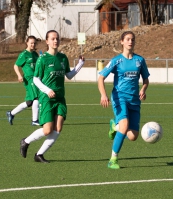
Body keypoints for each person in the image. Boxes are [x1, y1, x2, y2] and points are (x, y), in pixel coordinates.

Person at [19, 30, 85, 163]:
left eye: (57, 39)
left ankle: (39, 155)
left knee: (58, 128)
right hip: (46, 98)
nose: (56, 41)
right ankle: (25, 141)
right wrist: (47, 90)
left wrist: (80, 65)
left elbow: (69, 76)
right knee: (47, 129)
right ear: (47, 41)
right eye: (53, 39)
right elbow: (36, 79)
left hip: (60, 98)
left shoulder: (62, 57)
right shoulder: (42, 59)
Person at [98, 31, 150, 169]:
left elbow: (145, 79)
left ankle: (114, 126)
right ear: (122, 42)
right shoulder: (116, 60)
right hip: (119, 97)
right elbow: (101, 78)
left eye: (132, 39)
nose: (130, 42)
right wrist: (103, 95)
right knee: (125, 125)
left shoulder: (140, 60)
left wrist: (143, 90)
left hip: (134, 100)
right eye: (127, 39)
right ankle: (113, 159)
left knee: (133, 136)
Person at [6, 35, 40, 126]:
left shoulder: (35, 54)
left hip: (36, 78)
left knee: (30, 102)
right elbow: (16, 65)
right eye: (31, 43)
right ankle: (35, 120)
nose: (33, 44)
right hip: (29, 79)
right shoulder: (24, 54)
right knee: (37, 97)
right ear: (27, 43)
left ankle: (11, 113)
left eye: (34, 43)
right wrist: (19, 76)